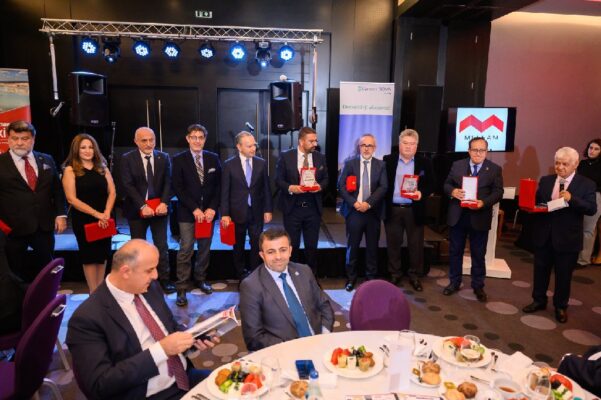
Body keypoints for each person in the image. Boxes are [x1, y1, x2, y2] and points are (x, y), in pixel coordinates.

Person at [66, 239, 217, 400]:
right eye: (149, 270)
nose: (155, 276)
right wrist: (161, 350)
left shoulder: (150, 287)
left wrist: (193, 337)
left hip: (183, 378)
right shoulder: (87, 319)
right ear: (126, 272)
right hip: (145, 393)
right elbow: (99, 385)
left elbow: (170, 327)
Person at [522, 147, 596, 323]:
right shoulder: (546, 180)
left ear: (575, 164)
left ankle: (560, 306)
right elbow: (539, 202)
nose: (560, 167)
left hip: (567, 238)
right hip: (544, 235)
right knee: (540, 271)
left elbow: (591, 209)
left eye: (565, 164)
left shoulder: (586, 184)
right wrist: (530, 204)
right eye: (557, 163)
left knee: (563, 276)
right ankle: (538, 300)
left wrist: (572, 199)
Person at [239, 227, 334, 351]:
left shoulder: (304, 271)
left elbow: (324, 305)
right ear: (262, 255)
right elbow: (254, 338)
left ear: (290, 250)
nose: (278, 257)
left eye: (283, 250)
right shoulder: (251, 286)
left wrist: (324, 334)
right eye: (271, 252)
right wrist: (293, 348)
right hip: (282, 352)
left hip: (318, 341)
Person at [0, 120, 67, 282]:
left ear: (33, 139)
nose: (19, 143)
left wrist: (61, 215)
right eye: (15, 138)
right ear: (8, 139)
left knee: (48, 271)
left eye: (24, 138)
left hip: (43, 226)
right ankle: (17, 299)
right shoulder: (1, 163)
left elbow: (57, 190)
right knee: (14, 274)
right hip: (13, 229)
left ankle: (48, 297)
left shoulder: (47, 159)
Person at [443, 137, 503, 302]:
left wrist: (483, 203)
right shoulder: (457, 165)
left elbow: (498, 192)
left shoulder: (494, 169)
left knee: (478, 254)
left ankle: (478, 286)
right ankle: (454, 282)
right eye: (475, 150)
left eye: (482, 150)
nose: (478, 153)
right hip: (458, 215)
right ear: (469, 151)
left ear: (486, 151)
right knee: (455, 251)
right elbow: (446, 184)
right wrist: (453, 191)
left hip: (479, 216)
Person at [121, 127, 175, 294]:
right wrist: (142, 206)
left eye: (151, 140)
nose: (148, 143)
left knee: (161, 245)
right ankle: (139, 281)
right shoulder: (127, 158)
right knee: (137, 247)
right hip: (137, 210)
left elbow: (169, 182)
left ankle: (164, 280)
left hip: (159, 209)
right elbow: (127, 185)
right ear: (136, 141)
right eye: (144, 140)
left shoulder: (163, 157)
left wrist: (164, 202)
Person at [171, 124, 221, 306]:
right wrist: (195, 209)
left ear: (204, 139)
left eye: (201, 137)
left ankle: (200, 279)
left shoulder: (213, 158)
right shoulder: (179, 160)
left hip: (208, 214)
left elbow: (218, 186)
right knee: (186, 249)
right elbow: (178, 188)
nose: (197, 140)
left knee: (204, 248)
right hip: (188, 212)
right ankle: (182, 287)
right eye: (194, 137)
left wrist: (212, 208)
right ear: (188, 139)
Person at [62, 134, 116, 293]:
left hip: (104, 219)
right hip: (84, 219)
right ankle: (93, 293)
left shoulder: (102, 167)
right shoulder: (70, 170)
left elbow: (112, 192)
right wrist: (97, 214)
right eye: (83, 147)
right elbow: (71, 199)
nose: (87, 150)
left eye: (91, 147)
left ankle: (100, 291)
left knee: (102, 255)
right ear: (76, 150)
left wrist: (106, 213)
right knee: (89, 257)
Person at [383, 129, 435, 292]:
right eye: (405, 143)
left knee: (415, 244)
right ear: (399, 144)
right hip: (393, 208)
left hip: (414, 209)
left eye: (412, 144)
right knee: (393, 244)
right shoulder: (388, 160)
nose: (408, 146)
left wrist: (422, 193)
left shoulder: (425, 162)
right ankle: (395, 273)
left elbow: (431, 184)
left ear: (416, 146)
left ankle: (414, 275)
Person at [275, 127, 328, 276]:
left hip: (313, 209)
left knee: (312, 246)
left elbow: (326, 179)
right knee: (293, 246)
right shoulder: (286, 156)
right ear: (301, 141)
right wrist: (291, 188)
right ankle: (293, 276)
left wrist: (320, 186)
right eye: (311, 141)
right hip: (293, 209)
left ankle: (311, 278)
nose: (315, 144)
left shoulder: (320, 157)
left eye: (316, 140)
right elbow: (278, 180)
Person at [337, 133, 387, 291]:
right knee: (352, 247)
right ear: (359, 147)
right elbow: (341, 186)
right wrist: (354, 203)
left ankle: (370, 279)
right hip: (354, 212)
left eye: (369, 145)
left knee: (372, 248)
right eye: (363, 145)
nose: (366, 148)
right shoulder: (350, 163)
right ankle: (351, 278)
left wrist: (368, 203)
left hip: (372, 212)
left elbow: (383, 187)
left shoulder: (381, 165)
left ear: (374, 148)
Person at [220, 131, 273, 280]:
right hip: (236, 213)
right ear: (239, 147)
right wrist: (225, 214)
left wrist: (268, 209)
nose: (253, 148)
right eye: (249, 146)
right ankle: (241, 274)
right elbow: (225, 191)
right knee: (238, 246)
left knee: (257, 244)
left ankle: (255, 274)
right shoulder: (229, 165)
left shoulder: (261, 163)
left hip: (256, 212)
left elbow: (266, 189)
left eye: (254, 145)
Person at [576, 138, 601, 266]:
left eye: (596, 149)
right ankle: (574, 256)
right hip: (579, 196)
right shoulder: (583, 163)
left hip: (595, 197)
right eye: (591, 148)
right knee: (577, 227)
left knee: (588, 229)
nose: (592, 151)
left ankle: (583, 260)